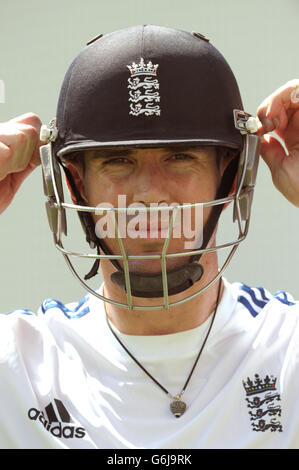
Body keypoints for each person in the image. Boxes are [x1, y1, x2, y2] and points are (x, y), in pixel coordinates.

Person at [0, 24, 299, 449]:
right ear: (77, 185)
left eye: (180, 157)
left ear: (230, 179)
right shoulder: (19, 367)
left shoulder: (287, 347)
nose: (148, 195)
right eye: (118, 160)